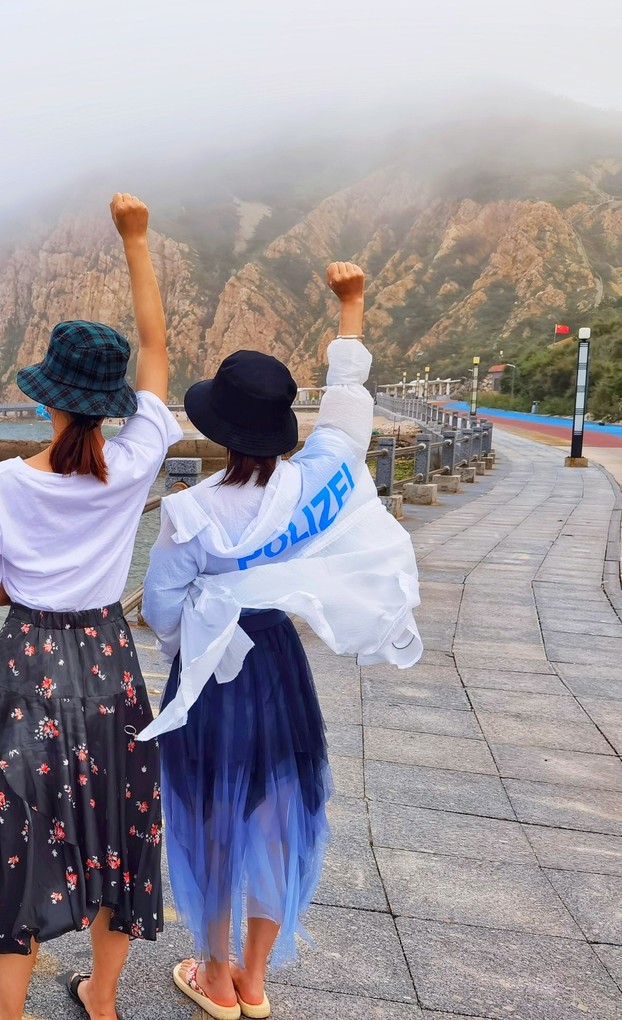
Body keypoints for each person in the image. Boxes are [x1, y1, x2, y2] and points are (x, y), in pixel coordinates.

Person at [0, 194, 183, 1020]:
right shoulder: (135, 462)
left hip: (30, 662)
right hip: (107, 660)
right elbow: (157, 350)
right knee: (118, 828)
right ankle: (101, 1002)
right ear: (109, 405)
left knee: (19, 840)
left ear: (48, 398)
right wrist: (136, 240)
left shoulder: (5, 482)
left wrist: (28, 582)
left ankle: (8, 1016)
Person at [140, 263, 422, 1020]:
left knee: (210, 818)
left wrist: (193, 640)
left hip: (214, 676)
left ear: (218, 427)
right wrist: (352, 305)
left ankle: (215, 974)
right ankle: (255, 981)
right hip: (279, 668)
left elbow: (162, 612)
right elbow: (349, 402)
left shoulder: (191, 512)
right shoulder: (320, 477)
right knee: (274, 814)